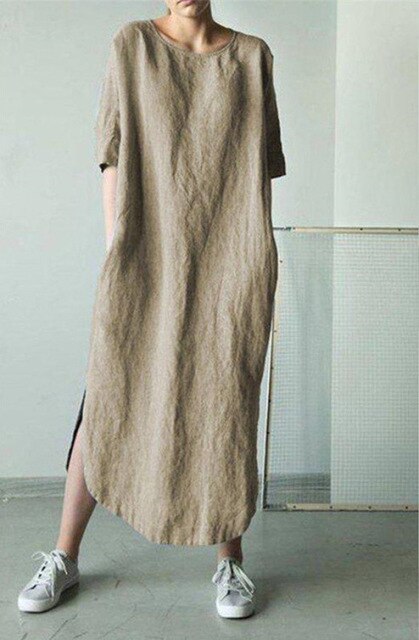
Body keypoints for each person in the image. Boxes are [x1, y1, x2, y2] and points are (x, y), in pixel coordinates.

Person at [17, 0, 286, 620]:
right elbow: (112, 152)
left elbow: (261, 170)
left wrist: (255, 256)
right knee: (110, 391)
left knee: (225, 399)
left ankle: (229, 562)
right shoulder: (133, 45)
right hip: (147, 248)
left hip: (229, 253)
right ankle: (64, 555)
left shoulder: (252, 57)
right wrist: (119, 247)